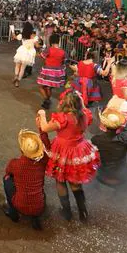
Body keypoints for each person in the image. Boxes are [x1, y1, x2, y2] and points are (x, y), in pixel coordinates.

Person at [37, 90, 99, 222]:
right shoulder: (84, 115)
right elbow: (83, 107)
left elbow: (45, 127)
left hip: (62, 151)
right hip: (78, 150)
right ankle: (83, 212)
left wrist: (42, 114)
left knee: (60, 180)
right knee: (75, 182)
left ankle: (67, 212)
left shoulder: (63, 118)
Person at [3, 129, 50, 230]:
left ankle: (13, 213)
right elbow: (47, 147)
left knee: (6, 179)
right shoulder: (42, 162)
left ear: (22, 150)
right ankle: (35, 218)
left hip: (20, 204)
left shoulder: (15, 164)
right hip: (39, 205)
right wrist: (42, 131)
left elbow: (7, 171)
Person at [91, 107, 127, 188]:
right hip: (121, 174)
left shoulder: (96, 139)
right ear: (119, 126)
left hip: (103, 173)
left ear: (104, 125)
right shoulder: (124, 137)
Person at [37, 34, 66, 109]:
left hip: (47, 70)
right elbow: (64, 61)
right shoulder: (62, 51)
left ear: (51, 41)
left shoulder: (49, 50)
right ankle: (47, 100)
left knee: (41, 87)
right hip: (57, 72)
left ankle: (47, 100)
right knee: (49, 88)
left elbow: (42, 56)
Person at [13, 22, 39, 87]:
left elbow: (15, 37)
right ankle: (18, 81)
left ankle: (16, 76)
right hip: (29, 53)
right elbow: (37, 45)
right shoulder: (34, 36)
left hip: (22, 50)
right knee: (22, 68)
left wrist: (13, 32)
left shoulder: (22, 35)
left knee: (17, 65)